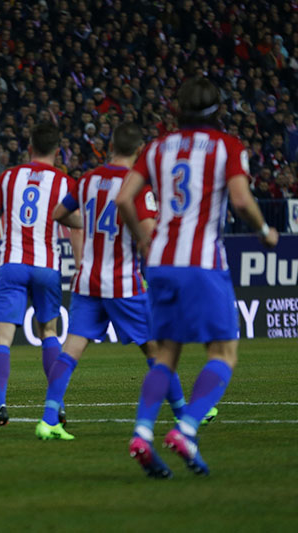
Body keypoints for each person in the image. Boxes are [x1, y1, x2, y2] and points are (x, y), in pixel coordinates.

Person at [118, 77, 279, 478]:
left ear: (177, 110)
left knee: (167, 353)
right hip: (202, 263)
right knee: (223, 352)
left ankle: (142, 433)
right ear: (217, 111)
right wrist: (264, 232)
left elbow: (124, 199)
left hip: (160, 263)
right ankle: (187, 429)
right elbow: (241, 200)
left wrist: (143, 240)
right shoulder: (227, 147)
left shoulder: (156, 148)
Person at [33, 123, 192, 441]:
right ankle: (183, 415)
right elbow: (146, 234)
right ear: (138, 152)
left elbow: (58, 214)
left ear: (110, 147)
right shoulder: (138, 186)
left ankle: (49, 419)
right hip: (123, 283)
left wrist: (89, 224)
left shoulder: (88, 180)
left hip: (87, 280)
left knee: (71, 349)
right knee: (156, 350)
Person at [0, 121, 78, 432]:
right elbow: (76, 226)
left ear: (30, 147)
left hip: (12, 264)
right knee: (49, 332)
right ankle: (55, 405)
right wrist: (81, 263)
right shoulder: (64, 182)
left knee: (2, 338)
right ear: (58, 151)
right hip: (48, 266)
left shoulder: (9, 177)